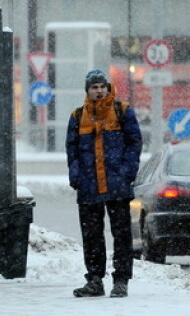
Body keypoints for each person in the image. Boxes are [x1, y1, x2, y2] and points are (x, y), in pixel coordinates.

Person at [66, 69, 142, 298]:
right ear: (87, 90)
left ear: (108, 88)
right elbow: (72, 151)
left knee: (121, 235)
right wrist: (76, 176)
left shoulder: (123, 111)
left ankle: (121, 281)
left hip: (117, 185)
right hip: (89, 187)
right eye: (94, 87)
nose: (99, 91)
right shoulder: (78, 116)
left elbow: (134, 143)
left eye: (102, 86)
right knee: (92, 236)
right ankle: (95, 280)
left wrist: (127, 171)